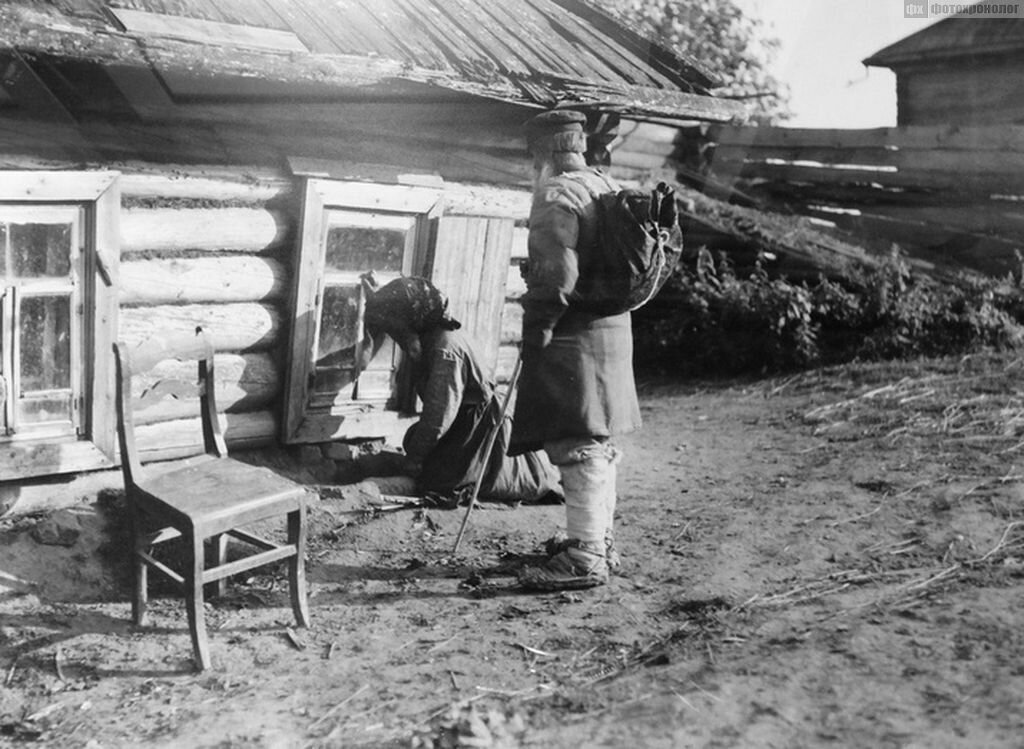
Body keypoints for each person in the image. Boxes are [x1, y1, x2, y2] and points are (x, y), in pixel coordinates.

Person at [510, 109, 643, 591]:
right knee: (597, 442)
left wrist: (536, 331)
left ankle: (585, 556)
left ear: (542, 154)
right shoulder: (601, 184)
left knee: (574, 442)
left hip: (573, 335)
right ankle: (597, 540)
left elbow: (556, 278)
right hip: (613, 330)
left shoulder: (554, 194)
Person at [362, 275, 561, 505]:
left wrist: (415, 460)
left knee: (438, 481)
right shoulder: (435, 334)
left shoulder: (445, 350)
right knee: (413, 441)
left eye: (399, 331)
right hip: (463, 422)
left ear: (413, 321)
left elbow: (439, 415)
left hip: (478, 430)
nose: (397, 339)